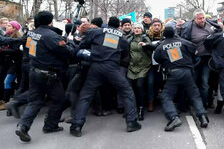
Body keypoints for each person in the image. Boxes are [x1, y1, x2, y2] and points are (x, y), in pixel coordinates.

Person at [70, 17, 141, 137]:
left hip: (95, 67)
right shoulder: (122, 38)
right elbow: (125, 55)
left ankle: (77, 125)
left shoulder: (96, 32)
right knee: (127, 92)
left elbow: (83, 44)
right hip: (112, 68)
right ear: (119, 25)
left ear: (108, 24)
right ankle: (131, 122)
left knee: (86, 95)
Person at [15, 11, 78, 142]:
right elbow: (68, 53)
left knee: (35, 101)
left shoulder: (32, 33)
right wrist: (70, 42)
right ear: (50, 21)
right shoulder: (51, 36)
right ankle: (50, 125)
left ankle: (23, 126)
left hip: (34, 70)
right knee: (59, 99)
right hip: (49, 74)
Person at [154, 27, 208, 131]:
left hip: (173, 73)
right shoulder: (184, 42)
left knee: (166, 96)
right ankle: (202, 117)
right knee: (194, 95)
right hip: (187, 72)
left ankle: (173, 117)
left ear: (164, 35)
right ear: (174, 33)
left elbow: (157, 59)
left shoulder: (161, 46)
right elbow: (195, 50)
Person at [181, 9, 221, 109]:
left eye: (203, 18)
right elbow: (184, 43)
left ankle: (204, 104)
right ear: (194, 19)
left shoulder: (211, 26)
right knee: (192, 82)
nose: (202, 20)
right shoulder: (188, 28)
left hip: (208, 59)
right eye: (199, 18)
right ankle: (191, 102)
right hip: (194, 59)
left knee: (205, 83)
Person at [127, 23, 152, 120]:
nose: (136, 29)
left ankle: (141, 109)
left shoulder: (145, 38)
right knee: (129, 88)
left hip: (143, 67)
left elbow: (151, 50)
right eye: (135, 28)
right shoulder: (130, 39)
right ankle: (131, 109)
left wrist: (146, 45)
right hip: (132, 67)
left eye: (138, 28)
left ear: (142, 30)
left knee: (139, 86)